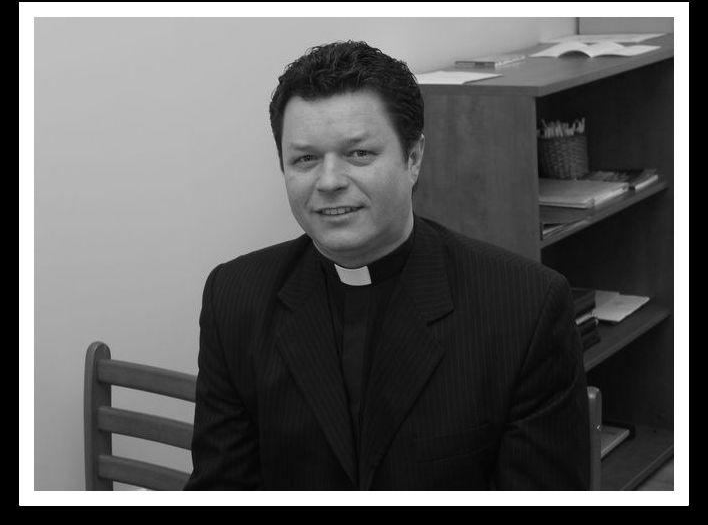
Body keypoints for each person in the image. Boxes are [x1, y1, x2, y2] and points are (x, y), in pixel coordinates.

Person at [184, 40, 589, 491]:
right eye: (305, 159)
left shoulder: (525, 307)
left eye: (359, 154)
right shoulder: (235, 297)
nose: (329, 181)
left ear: (412, 158)